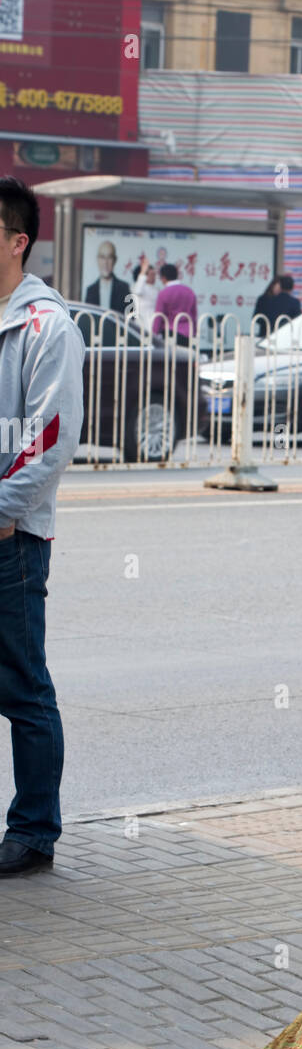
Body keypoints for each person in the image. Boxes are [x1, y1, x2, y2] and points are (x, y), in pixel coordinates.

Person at [0, 177, 85, 875]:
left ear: (16, 240)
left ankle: (33, 831)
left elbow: (48, 441)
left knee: (23, 687)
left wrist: (0, 515)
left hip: (11, 540)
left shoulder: (46, 326)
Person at [152, 263, 197, 339]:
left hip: (170, 332)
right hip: (188, 332)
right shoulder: (189, 291)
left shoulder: (163, 293)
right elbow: (194, 314)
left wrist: (154, 333)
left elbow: (159, 316)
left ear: (163, 278)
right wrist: (194, 331)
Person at [84, 240, 130, 315]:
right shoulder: (91, 290)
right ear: (97, 260)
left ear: (115, 260)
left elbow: (130, 318)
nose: (105, 262)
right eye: (102, 257)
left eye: (109, 257)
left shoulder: (124, 288)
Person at [130, 253, 160, 329]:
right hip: (142, 324)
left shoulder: (156, 289)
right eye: (151, 274)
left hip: (155, 323)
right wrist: (143, 272)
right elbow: (137, 291)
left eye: (154, 274)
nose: (154, 277)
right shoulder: (137, 286)